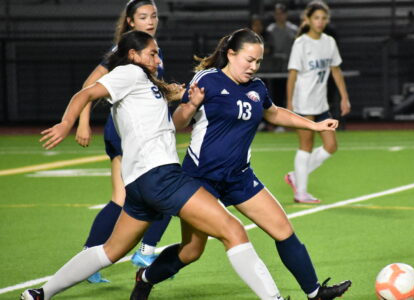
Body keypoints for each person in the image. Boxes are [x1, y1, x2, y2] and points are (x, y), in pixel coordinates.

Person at [22, 30, 287, 300]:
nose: (158, 58)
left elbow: (160, 103)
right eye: (152, 52)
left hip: (138, 183)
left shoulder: (145, 82)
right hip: (160, 175)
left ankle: (41, 293)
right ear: (133, 55)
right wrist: (68, 123)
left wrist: (187, 98)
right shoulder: (129, 73)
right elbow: (85, 94)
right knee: (233, 230)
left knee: (110, 251)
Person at [129, 28, 351, 300]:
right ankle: (145, 278)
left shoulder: (257, 87)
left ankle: (315, 292)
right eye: (249, 60)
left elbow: (275, 113)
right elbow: (176, 123)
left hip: (239, 177)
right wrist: (188, 106)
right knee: (192, 251)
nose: (253, 66)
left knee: (283, 229)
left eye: (258, 61)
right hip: (200, 179)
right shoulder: (207, 80)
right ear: (231, 54)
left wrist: (314, 125)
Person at [74, 0, 172, 283]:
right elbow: (90, 86)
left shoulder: (150, 49)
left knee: (120, 198)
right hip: (128, 133)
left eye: (153, 15)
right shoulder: (124, 51)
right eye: (143, 16)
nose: (150, 20)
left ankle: (89, 259)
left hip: (135, 132)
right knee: (168, 190)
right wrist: (82, 121)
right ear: (130, 21)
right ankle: (146, 251)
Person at [285, 1, 351, 204]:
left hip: (321, 103)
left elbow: (336, 70)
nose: (320, 22)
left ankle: (296, 175)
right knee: (306, 145)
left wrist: (344, 97)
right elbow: (292, 75)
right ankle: (301, 193)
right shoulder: (301, 43)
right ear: (308, 20)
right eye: (316, 18)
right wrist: (289, 103)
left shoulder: (329, 42)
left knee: (331, 145)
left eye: (323, 18)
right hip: (303, 102)